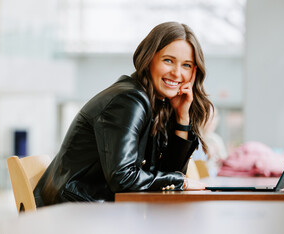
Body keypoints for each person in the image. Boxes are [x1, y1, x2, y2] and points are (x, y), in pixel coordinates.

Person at [33, 22, 213, 206]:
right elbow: (123, 178)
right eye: (168, 60)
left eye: (187, 65)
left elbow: (167, 173)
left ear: (194, 72)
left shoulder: (155, 103)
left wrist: (182, 118)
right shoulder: (128, 100)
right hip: (73, 213)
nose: (177, 73)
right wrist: (178, 182)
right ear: (149, 58)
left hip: (94, 210)